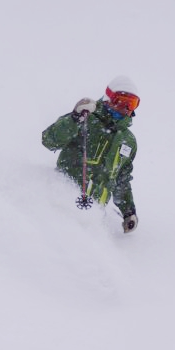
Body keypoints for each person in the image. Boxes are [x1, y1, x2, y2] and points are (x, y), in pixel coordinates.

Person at [42, 76, 140, 233]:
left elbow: (122, 179)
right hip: (60, 204)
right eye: (120, 101)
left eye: (132, 104)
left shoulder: (128, 141)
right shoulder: (86, 118)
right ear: (109, 97)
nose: (125, 108)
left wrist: (128, 211)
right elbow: (49, 140)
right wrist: (74, 118)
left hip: (94, 215)